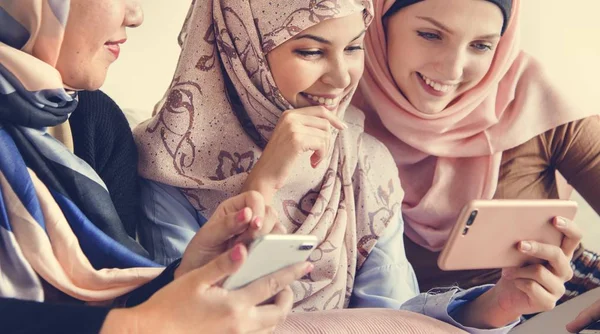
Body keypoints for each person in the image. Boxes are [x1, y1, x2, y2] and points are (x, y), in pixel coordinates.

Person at [134, 0, 579, 331]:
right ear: (239, 49)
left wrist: (497, 306)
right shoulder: (170, 161)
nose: (343, 77)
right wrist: (265, 183)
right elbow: (184, 318)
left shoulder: (363, 159)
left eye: (353, 47)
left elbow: (393, 317)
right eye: (310, 51)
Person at [0, 1, 308, 333]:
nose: (135, 16)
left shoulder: (91, 120)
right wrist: (136, 327)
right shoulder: (160, 155)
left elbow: (108, 302)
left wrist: (187, 275)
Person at [353, 0, 600, 300]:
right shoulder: (334, 108)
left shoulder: (532, 97)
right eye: (431, 35)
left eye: (481, 45)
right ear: (380, 23)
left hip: (561, 296)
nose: (453, 69)